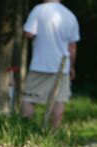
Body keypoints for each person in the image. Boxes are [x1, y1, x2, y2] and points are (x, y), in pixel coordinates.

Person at [21, 0, 80, 129]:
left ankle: (27, 130)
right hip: (62, 65)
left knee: (28, 97)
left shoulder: (38, 10)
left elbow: (29, 33)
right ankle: (54, 133)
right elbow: (72, 47)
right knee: (59, 100)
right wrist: (72, 67)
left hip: (39, 64)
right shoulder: (70, 15)